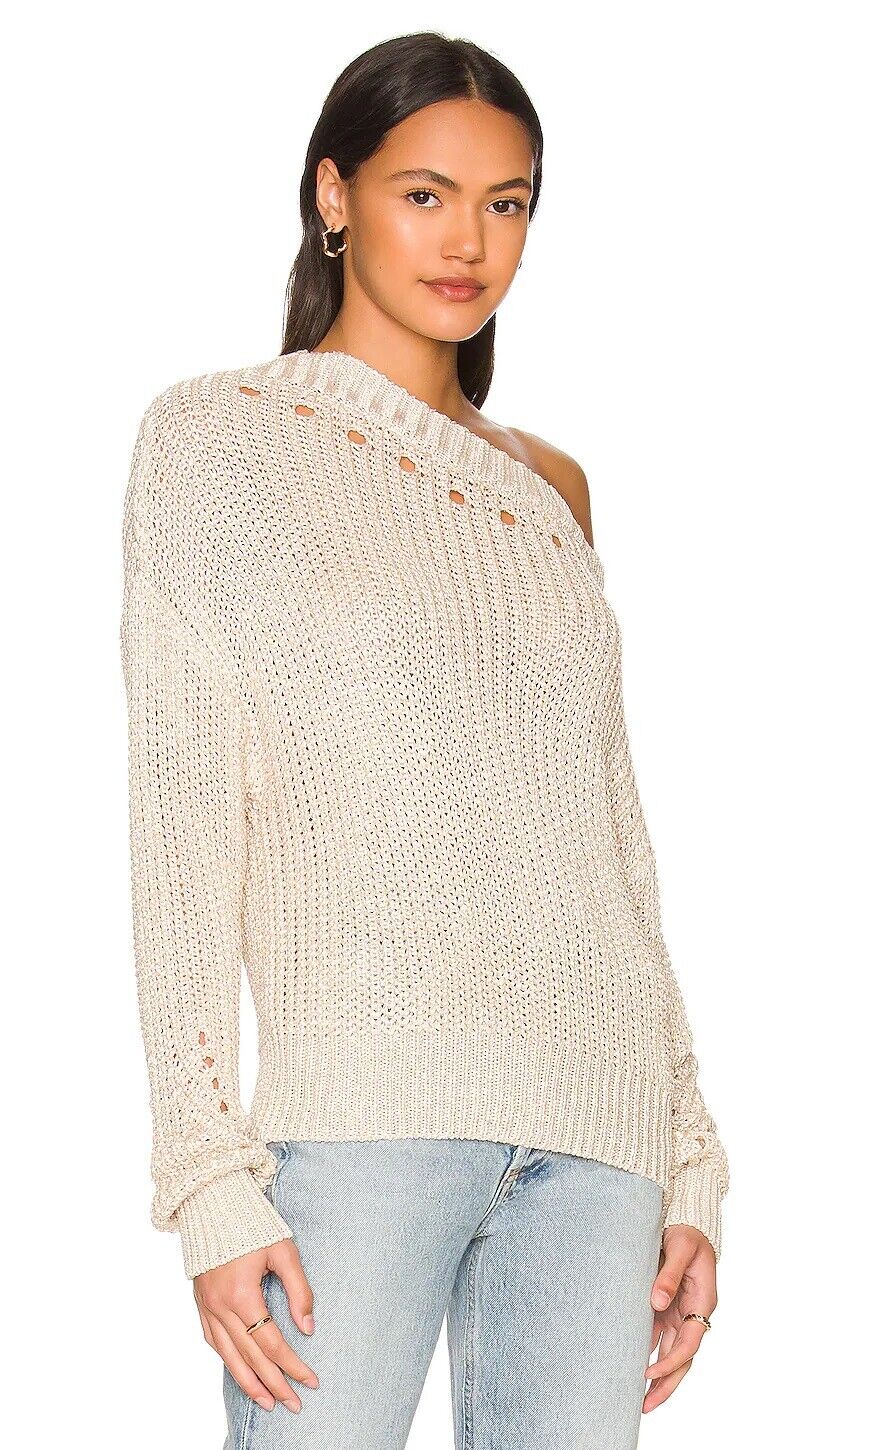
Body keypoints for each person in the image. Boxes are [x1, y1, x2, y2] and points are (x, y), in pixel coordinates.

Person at [119, 31, 730, 1450]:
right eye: (425, 194)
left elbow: (609, 842)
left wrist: (688, 1155)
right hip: (360, 1127)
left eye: (506, 203)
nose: (469, 242)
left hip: (598, 1141)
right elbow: (180, 830)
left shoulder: (553, 487)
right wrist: (209, 1176)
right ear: (333, 195)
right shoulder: (215, 441)